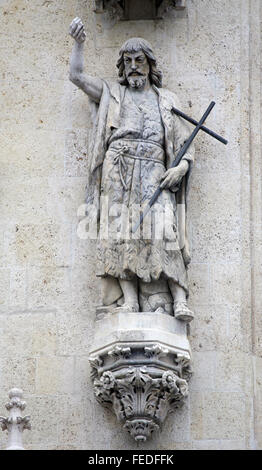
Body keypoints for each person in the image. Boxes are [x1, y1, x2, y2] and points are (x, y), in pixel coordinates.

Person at [69, 17, 194, 322]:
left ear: (150, 65)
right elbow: (77, 76)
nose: (134, 66)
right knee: (120, 233)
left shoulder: (166, 100)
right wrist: (79, 43)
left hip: (154, 171)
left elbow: (183, 140)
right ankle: (130, 301)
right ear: (122, 66)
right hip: (119, 170)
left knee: (164, 230)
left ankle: (179, 298)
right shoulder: (113, 93)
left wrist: (182, 167)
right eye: (128, 61)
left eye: (140, 60)